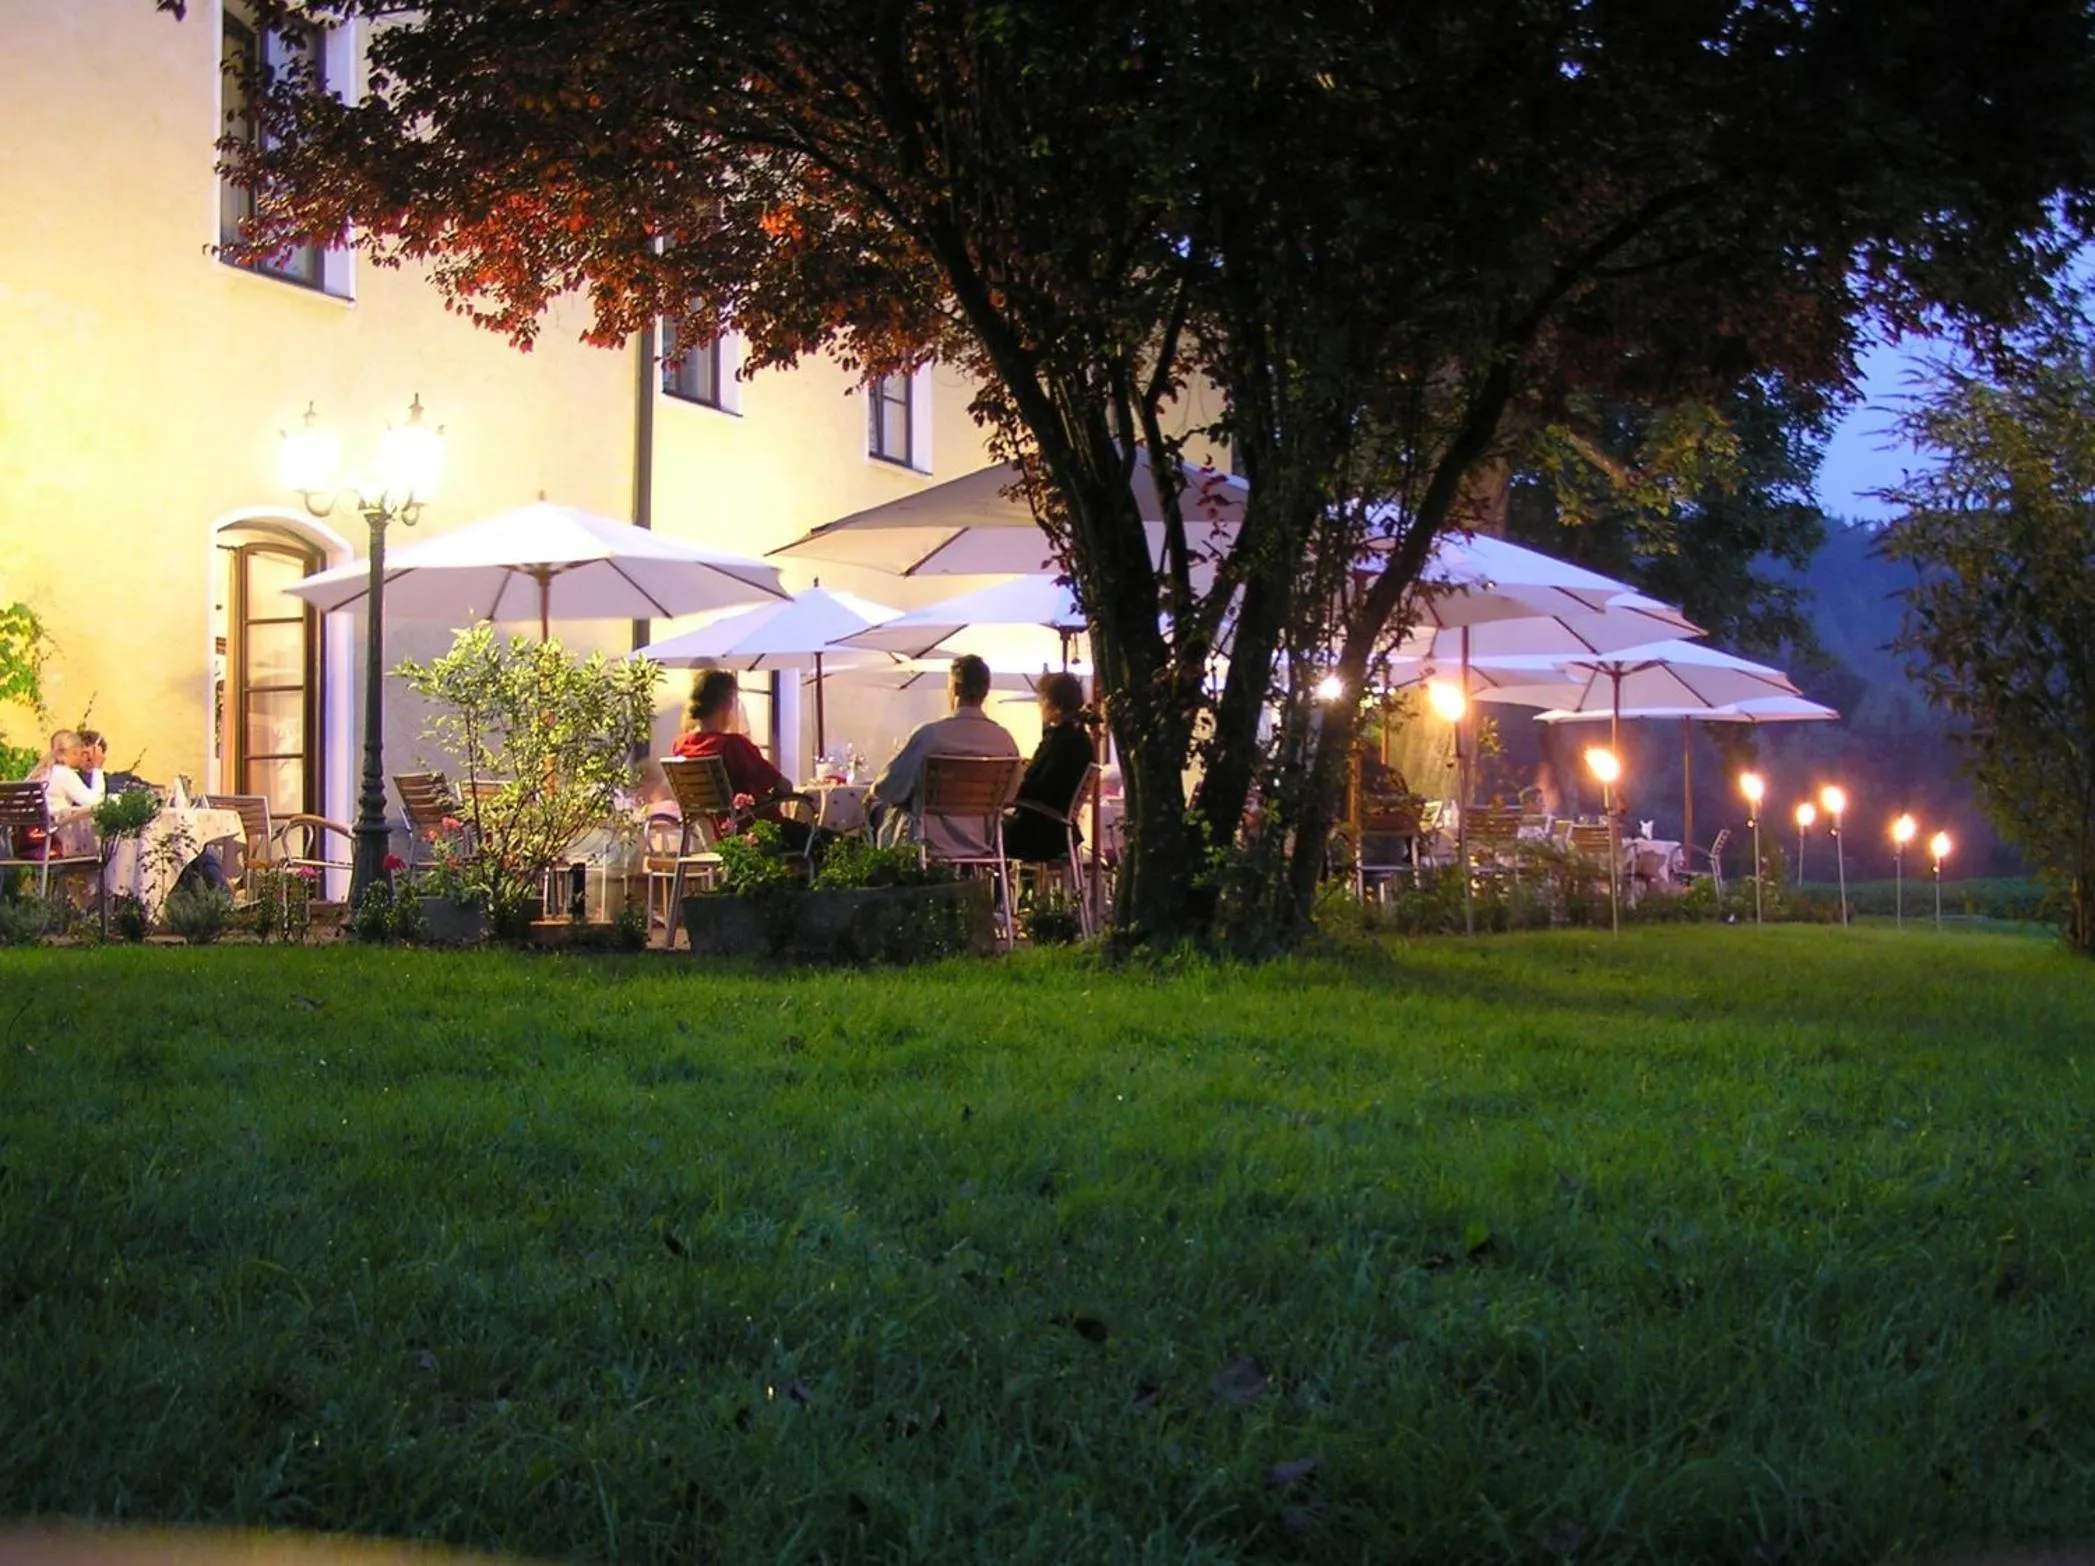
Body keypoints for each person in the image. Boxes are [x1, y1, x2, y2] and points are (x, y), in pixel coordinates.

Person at [870, 653, 1019, 858]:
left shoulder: (931, 736)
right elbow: (1010, 796)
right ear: (985, 692)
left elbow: (886, 788)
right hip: (982, 840)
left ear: (955, 689)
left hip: (927, 841)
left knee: (877, 811)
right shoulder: (1005, 741)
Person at [672, 669, 811, 851]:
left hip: (711, 838)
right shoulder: (733, 745)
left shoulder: (680, 745)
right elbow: (785, 787)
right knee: (833, 845)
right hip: (756, 833)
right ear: (726, 705)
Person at [1003, 671, 1095, 863]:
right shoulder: (1077, 738)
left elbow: (1038, 787)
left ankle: (993, 890)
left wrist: (1017, 781)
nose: (1039, 705)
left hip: (1040, 833)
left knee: (981, 831)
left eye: (1042, 699)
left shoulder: (1061, 741)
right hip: (1058, 830)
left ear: (1058, 706)